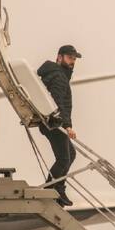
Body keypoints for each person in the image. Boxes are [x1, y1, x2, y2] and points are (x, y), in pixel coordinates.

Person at [37, 44, 81, 207]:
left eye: (74, 59)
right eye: (70, 58)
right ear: (59, 57)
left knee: (70, 154)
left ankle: (57, 188)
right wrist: (67, 125)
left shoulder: (58, 75)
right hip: (55, 123)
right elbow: (58, 101)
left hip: (55, 122)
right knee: (64, 159)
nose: (73, 62)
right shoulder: (58, 76)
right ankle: (50, 191)